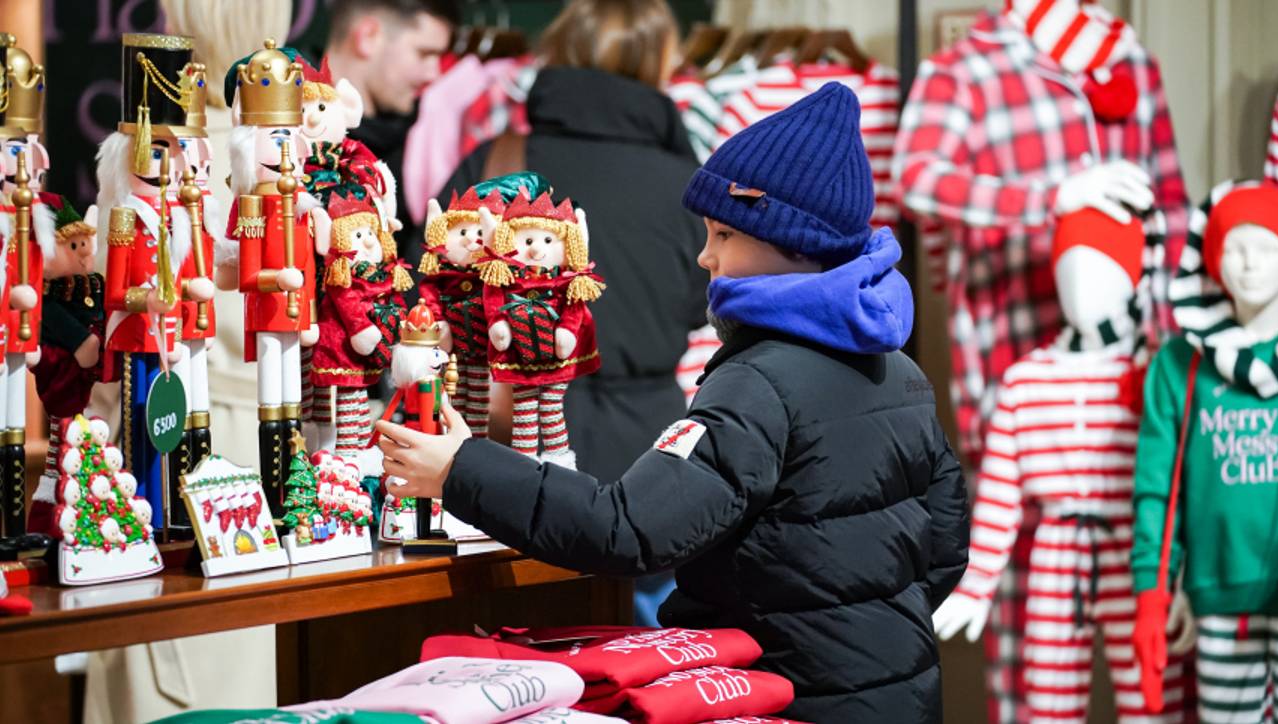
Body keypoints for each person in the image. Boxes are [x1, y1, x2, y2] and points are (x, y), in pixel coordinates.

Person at [376, 83, 970, 723]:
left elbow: (629, 527)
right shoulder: (901, 372)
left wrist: (461, 467)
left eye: (723, 234)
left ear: (791, 246)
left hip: (779, 696)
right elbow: (944, 545)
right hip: (901, 693)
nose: (704, 255)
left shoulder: (760, 384)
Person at [433, 0, 707, 483]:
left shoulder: (497, 162)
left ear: (556, 48)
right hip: (645, 455)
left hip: (506, 438)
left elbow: (432, 284)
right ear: (662, 62)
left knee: (505, 561)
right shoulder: (689, 187)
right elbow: (698, 304)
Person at [324, 0, 459, 222]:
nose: (433, 74)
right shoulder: (287, 136)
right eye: (424, 54)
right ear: (368, 37)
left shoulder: (417, 140)